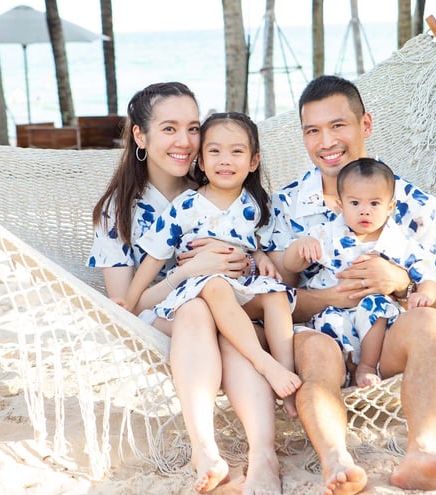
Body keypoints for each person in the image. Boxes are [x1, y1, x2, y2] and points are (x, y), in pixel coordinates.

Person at [269, 75, 436, 494]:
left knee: (431, 326)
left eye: (338, 125)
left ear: (366, 125)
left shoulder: (415, 205)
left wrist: (399, 281)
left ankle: (420, 452)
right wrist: (327, 297)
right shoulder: (286, 205)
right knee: (313, 351)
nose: (326, 141)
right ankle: (336, 462)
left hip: (388, 337)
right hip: (321, 334)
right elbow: (266, 299)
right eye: (312, 130)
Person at [90, 83, 282, 494]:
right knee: (197, 308)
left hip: (231, 307)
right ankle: (205, 450)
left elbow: (259, 245)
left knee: (226, 325)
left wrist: (244, 261)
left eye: (193, 128)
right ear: (140, 136)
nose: (185, 141)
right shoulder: (118, 211)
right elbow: (128, 304)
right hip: (164, 318)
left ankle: (263, 458)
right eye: (170, 128)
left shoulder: (222, 179)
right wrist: (189, 273)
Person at [120, 111, 301, 415]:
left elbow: (259, 242)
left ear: (253, 162)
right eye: (214, 151)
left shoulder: (257, 204)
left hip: (242, 288)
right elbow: (154, 258)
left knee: (276, 294)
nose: (225, 160)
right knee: (216, 285)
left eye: (236, 152)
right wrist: (129, 301)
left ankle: (288, 376)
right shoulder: (186, 206)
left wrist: (261, 257)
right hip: (200, 290)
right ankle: (263, 362)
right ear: (201, 162)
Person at [283, 158, 436, 389]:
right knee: (329, 321)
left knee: (377, 306)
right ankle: (345, 371)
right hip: (333, 310)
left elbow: (427, 273)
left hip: (374, 319)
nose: (364, 210)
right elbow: (290, 265)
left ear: (390, 207)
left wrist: (424, 293)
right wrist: (301, 247)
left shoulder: (398, 242)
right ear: (340, 204)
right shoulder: (327, 234)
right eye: (355, 203)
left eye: (375, 203)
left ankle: (366, 366)